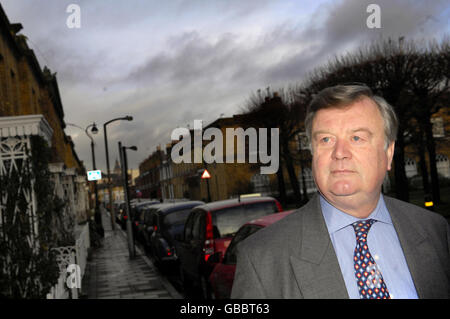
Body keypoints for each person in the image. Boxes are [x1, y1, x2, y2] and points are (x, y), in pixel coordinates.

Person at [231, 84, 449, 299]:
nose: (339, 153)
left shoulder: (435, 230)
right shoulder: (261, 259)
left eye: (357, 138)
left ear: (388, 153)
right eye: (326, 139)